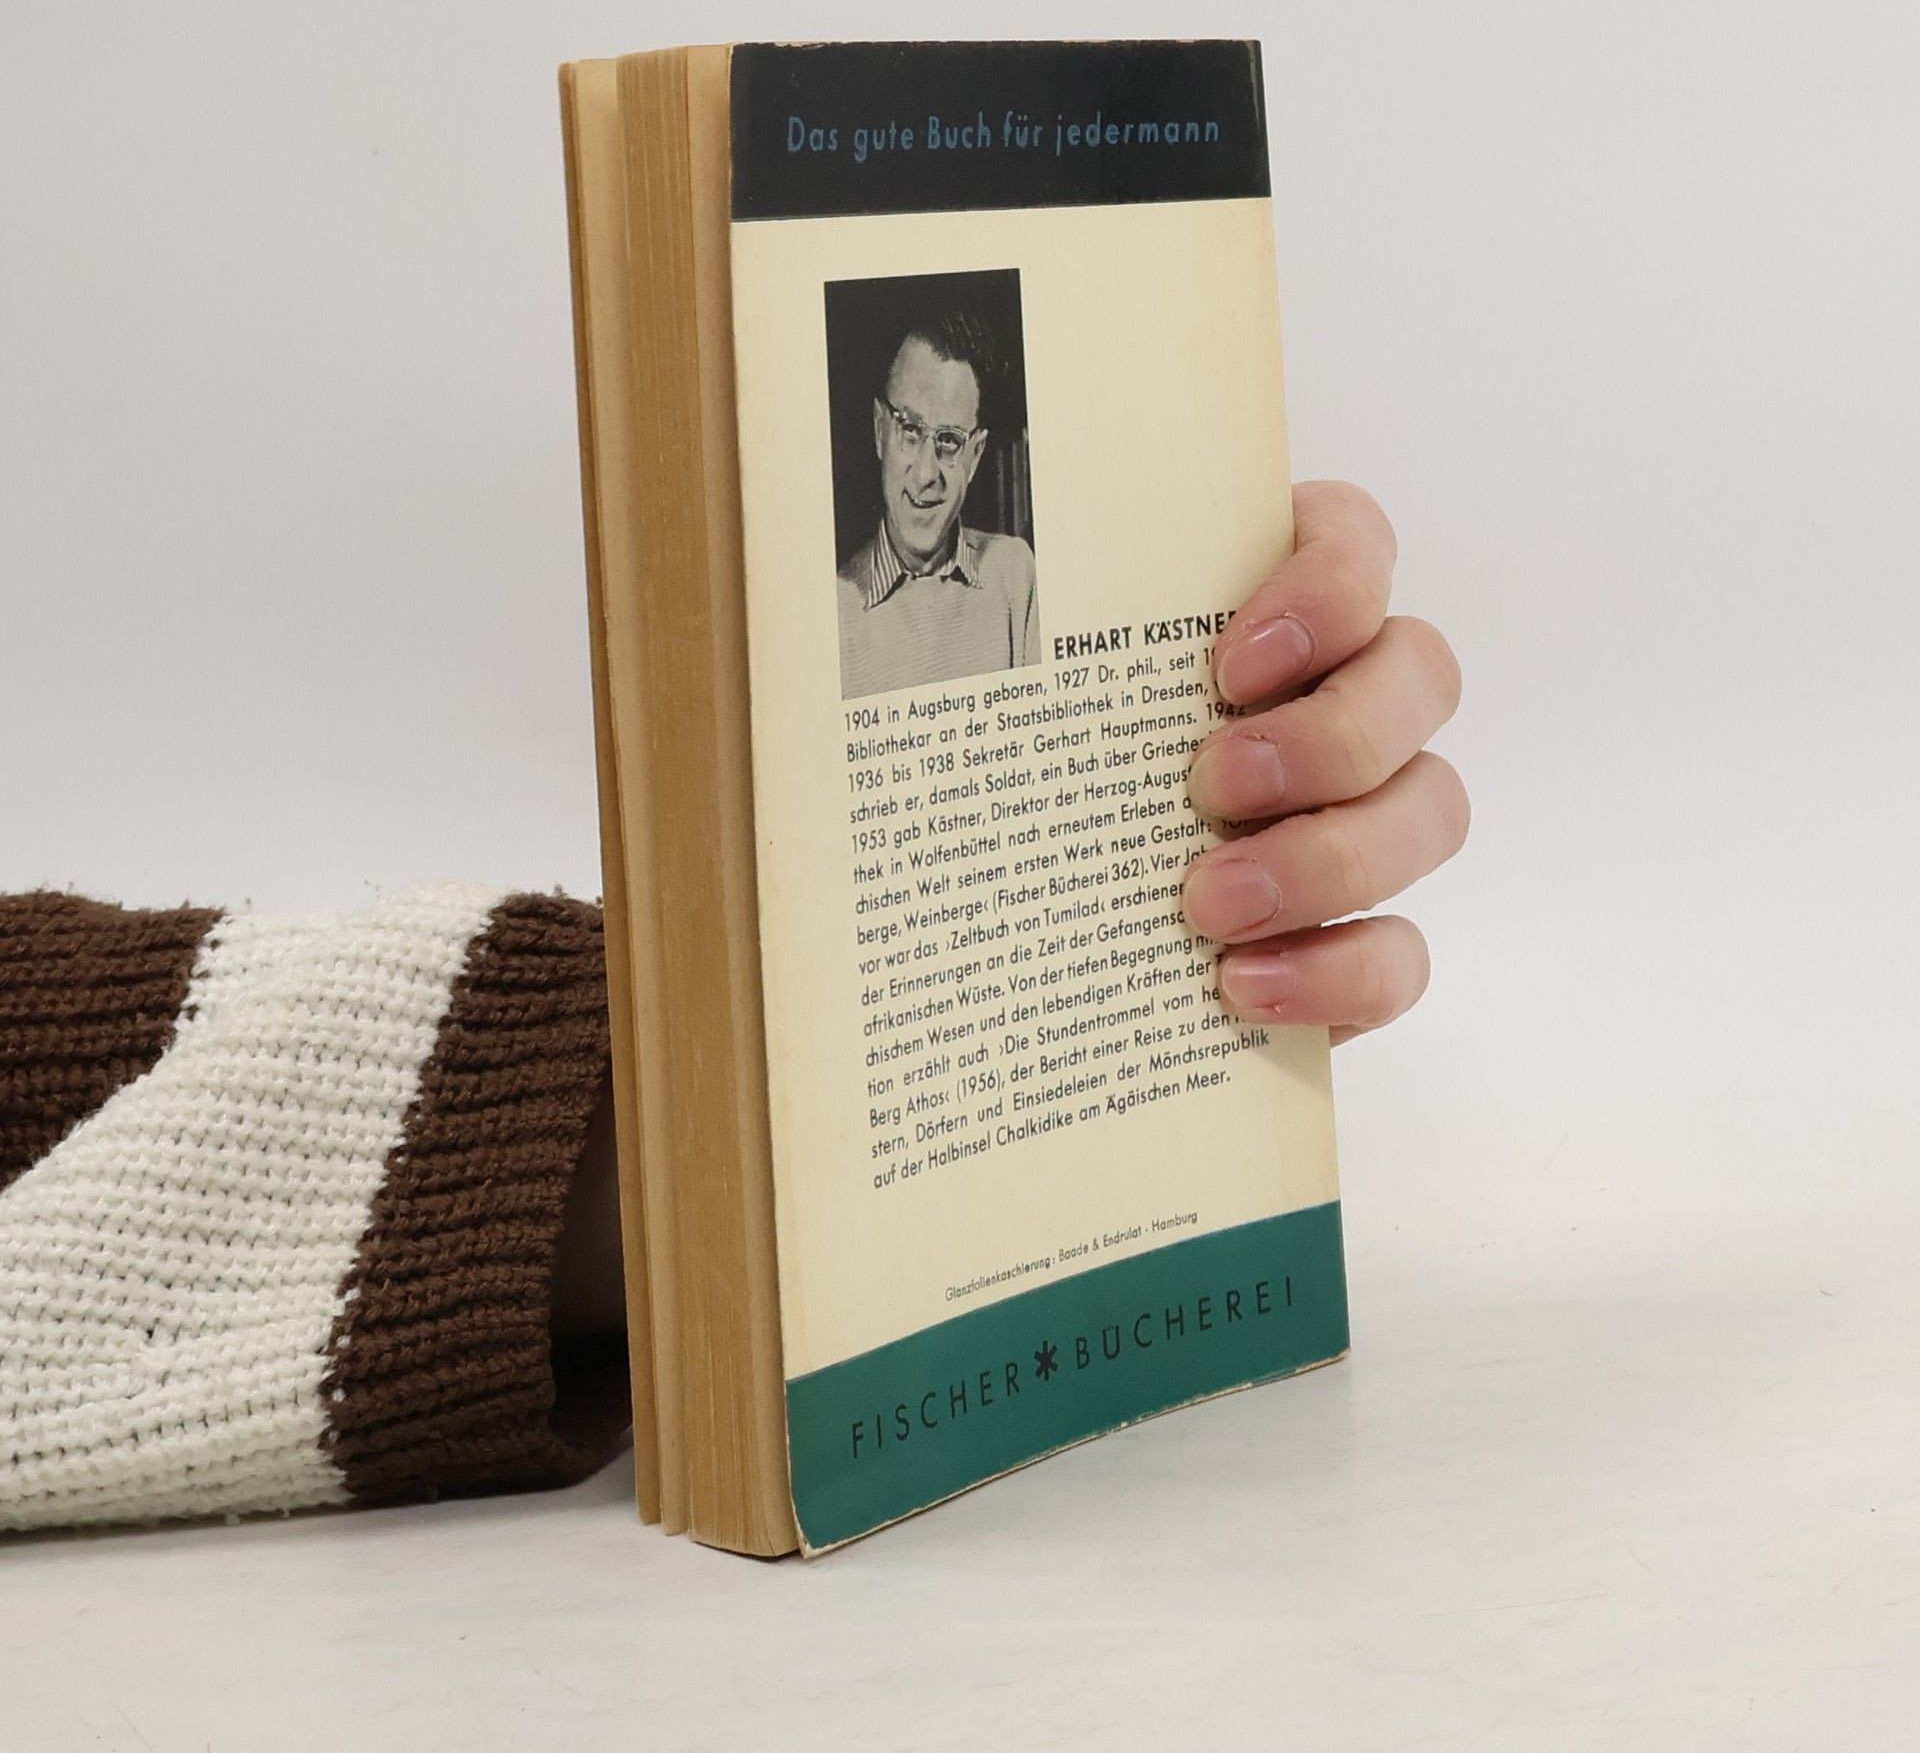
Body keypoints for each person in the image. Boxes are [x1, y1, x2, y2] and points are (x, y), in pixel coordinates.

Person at [0, 480, 1464, 1532]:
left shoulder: (1007, 572)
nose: (931, 470)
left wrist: (998, 976)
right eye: (904, 431)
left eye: (957, 439)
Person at [836, 308, 1040, 698]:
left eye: (949, 441)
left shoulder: (1015, 575)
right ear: (880, 430)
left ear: (975, 456)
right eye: (910, 430)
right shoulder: (836, 611)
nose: (926, 474)